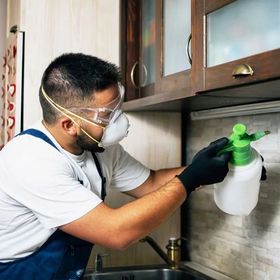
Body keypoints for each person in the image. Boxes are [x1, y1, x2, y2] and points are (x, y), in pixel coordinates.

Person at [0, 53, 231, 279]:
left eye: (117, 108)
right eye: (108, 115)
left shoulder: (100, 147)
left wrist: (214, 166)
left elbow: (150, 183)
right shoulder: (31, 161)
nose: (119, 121)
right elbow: (116, 232)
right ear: (69, 125)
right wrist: (190, 179)